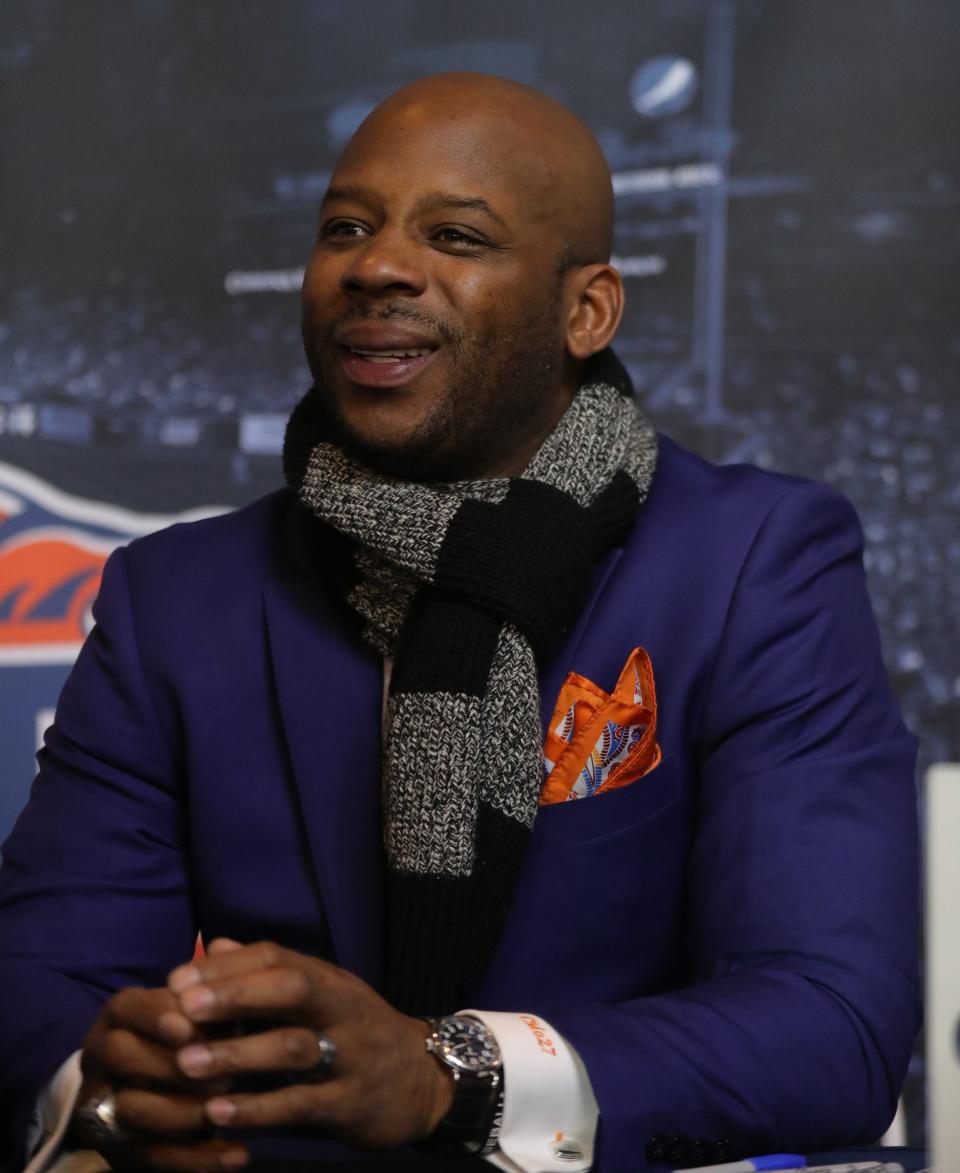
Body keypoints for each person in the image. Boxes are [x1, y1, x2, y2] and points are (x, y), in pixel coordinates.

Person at [0, 72, 919, 1173]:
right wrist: (112, 1082)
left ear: (586, 311)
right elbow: (47, 978)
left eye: (457, 237)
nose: (376, 265)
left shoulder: (755, 563)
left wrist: (451, 1074)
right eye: (347, 226)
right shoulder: (173, 597)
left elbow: (831, 1023)